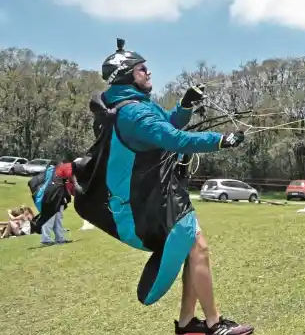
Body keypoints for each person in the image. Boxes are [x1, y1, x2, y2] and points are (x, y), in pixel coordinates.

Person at [71, 38, 254, 335]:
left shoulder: (136, 105)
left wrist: (184, 106)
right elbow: (173, 139)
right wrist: (221, 140)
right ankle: (214, 324)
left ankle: (187, 324)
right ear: (128, 75)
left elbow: (167, 124)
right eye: (143, 69)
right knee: (197, 247)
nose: (148, 72)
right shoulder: (132, 113)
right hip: (139, 203)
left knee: (195, 249)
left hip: (150, 194)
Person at [29, 158, 75, 246]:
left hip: (59, 198)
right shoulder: (54, 172)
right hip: (51, 198)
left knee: (58, 219)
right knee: (50, 218)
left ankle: (60, 238)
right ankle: (45, 239)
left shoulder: (58, 172)